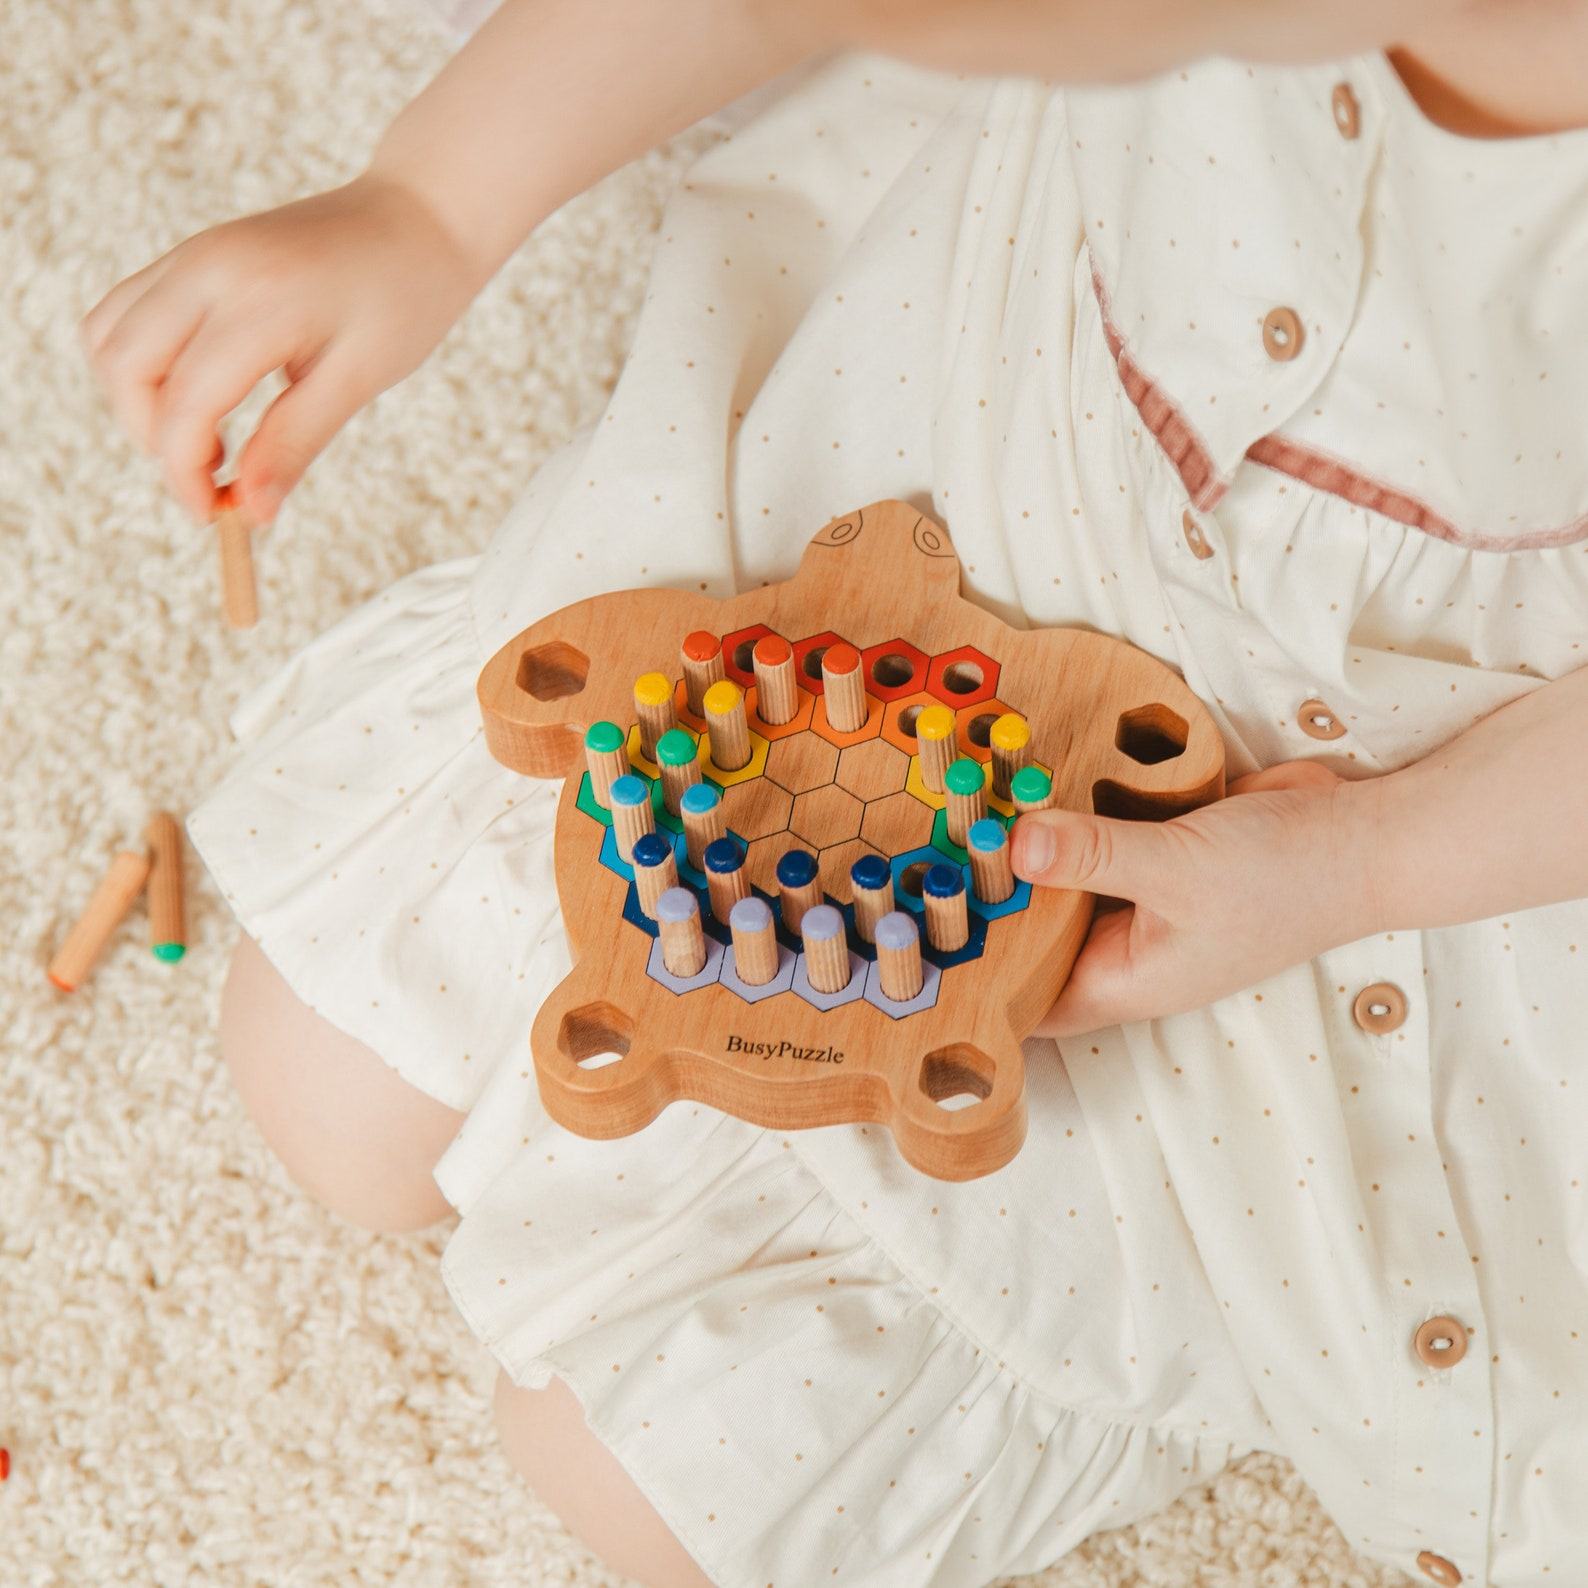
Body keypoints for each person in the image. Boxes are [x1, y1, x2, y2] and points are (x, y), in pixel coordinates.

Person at [80, 2, 1588, 1583]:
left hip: (1403, 831)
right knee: (318, 1086)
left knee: (647, 1485)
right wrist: (433, 204)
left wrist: (1363, 862)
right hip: (983, 449)